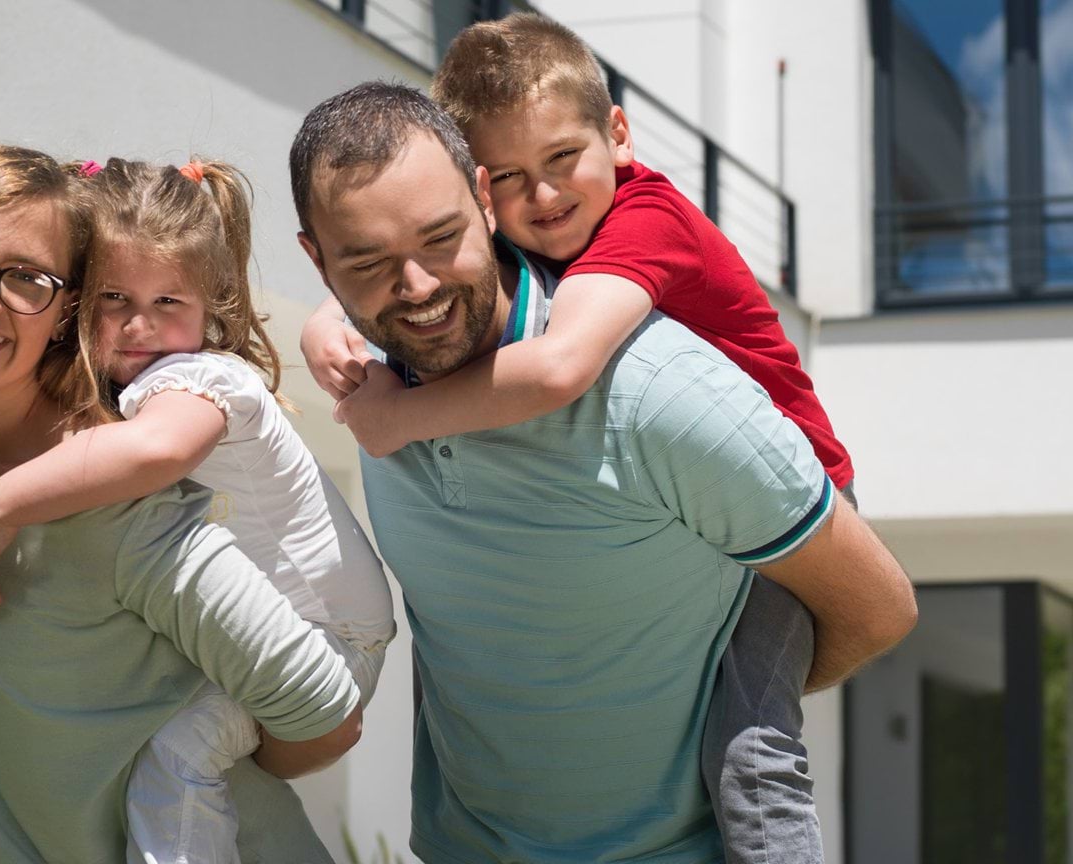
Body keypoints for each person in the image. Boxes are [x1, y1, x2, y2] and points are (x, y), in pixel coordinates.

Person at [289, 82, 916, 863]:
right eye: (370, 262)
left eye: (440, 238)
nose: (416, 287)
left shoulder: (658, 390)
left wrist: (722, 694)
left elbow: (879, 607)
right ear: (316, 260)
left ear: (484, 202)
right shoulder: (369, 382)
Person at [0, 144, 362, 864]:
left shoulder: (113, 507)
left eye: (25, 279)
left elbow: (326, 713)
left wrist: (199, 758)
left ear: (65, 307)